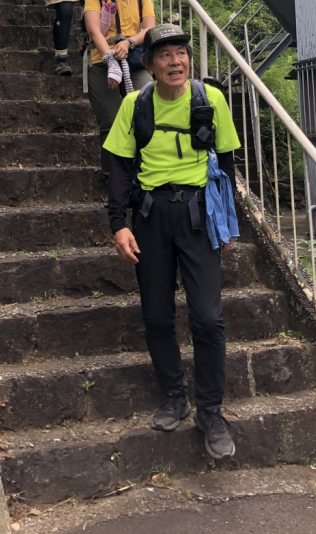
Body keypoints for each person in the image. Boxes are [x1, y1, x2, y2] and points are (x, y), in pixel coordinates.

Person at [103, 24, 242, 461]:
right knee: (158, 314)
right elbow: (119, 167)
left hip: (199, 215)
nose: (176, 62)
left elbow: (229, 165)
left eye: (181, 53)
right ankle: (174, 395)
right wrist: (117, 224)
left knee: (208, 317)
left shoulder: (211, 99)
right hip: (149, 217)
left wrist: (226, 224)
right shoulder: (134, 104)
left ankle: (210, 410)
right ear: (150, 66)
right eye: (165, 56)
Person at [83, 0, 155, 174]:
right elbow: (94, 30)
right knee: (112, 120)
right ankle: (112, 175)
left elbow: (149, 29)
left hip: (135, 61)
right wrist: (110, 58)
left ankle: (144, 170)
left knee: (147, 110)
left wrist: (129, 41)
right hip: (102, 62)